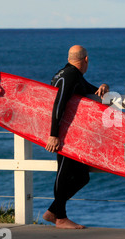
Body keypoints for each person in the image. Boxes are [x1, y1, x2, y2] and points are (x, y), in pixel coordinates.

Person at [43, 45, 109, 229]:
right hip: (64, 134)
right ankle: (61, 218)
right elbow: (59, 103)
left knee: (82, 177)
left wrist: (104, 87)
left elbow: (91, 90)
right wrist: (54, 135)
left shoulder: (66, 74)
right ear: (86, 60)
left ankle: (52, 211)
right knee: (63, 173)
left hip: (72, 133)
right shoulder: (70, 75)